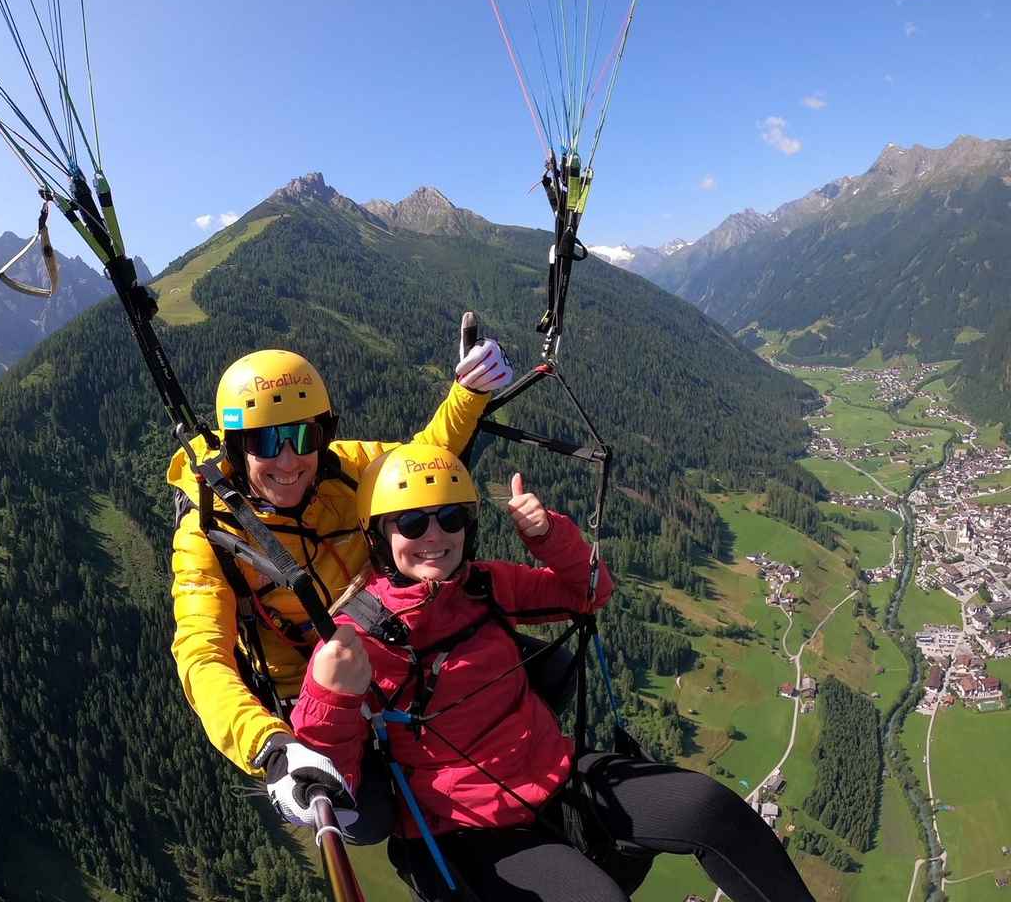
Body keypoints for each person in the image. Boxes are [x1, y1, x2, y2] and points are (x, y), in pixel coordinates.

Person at [288, 443, 817, 901]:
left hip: (557, 771)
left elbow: (588, 593)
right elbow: (329, 777)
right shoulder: (356, 637)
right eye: (411, 522)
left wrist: (547, 536)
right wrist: (329, 694)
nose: (434, 535)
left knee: (710, 808)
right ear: (379, 535)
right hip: (468, 828)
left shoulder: (485, 585)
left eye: (451, 519)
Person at [165, 331, 512, 833]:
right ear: (238, 449)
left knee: (547, 678)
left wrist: (469, 393)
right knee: (366, 819)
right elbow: (201, 653)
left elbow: (421, 461)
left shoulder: (345, 468)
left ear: (323, 436)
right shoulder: (209, 533)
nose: (288, 461)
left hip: (387, 653)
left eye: (303, 438)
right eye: (266, 443)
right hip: (303, 694)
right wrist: (270, 745)